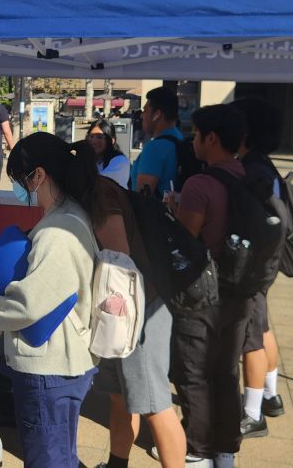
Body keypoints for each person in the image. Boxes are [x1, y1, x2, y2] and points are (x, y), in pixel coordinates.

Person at [0, 132, 101, 468]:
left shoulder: (57, 232)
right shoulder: (68, 215)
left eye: (19, 181)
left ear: (39, 175)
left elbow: (26, 306)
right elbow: (38, 275)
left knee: (47, 459)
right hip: (62, 362)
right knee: (61, 455)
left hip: (48, 368)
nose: (19, 190)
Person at [166, 104, 249, 468]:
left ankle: (198, 452)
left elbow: (186, 240)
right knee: (226, 375)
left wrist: (173, 210)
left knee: (194, 378)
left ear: (211, 138)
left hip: (202, 298)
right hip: (239, 293)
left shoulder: (201, 183)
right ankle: (225, 455)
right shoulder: (244, 174)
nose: (193, 140)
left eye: (196, 134)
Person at [90, 171, 187, 468]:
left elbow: (120, 259)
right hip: (118, 310)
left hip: (139, 308)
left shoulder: (99, 197)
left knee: (155, 404)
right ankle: (116, 464)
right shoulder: (95, 190)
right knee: (120, 397)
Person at [230, 99, 287, 436]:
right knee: (263, 328)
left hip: (253, 267)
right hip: (268, 262)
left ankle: (252, 413)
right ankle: (270, 394)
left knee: (251, 338)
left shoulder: (252, 171)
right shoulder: (265, 166)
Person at [130, 87, 185, 197]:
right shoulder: (179, 138)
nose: (141, 115)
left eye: (145, 111)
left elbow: (142, 198)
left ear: (157, 115)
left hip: (153, 213)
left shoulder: (154, 148)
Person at [87, 119, 130, 189]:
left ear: (112, 140)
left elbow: (101, 183)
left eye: (100, 137)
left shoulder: (120, 161)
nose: (94, 141)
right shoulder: (87, 160)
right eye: (91, 136)